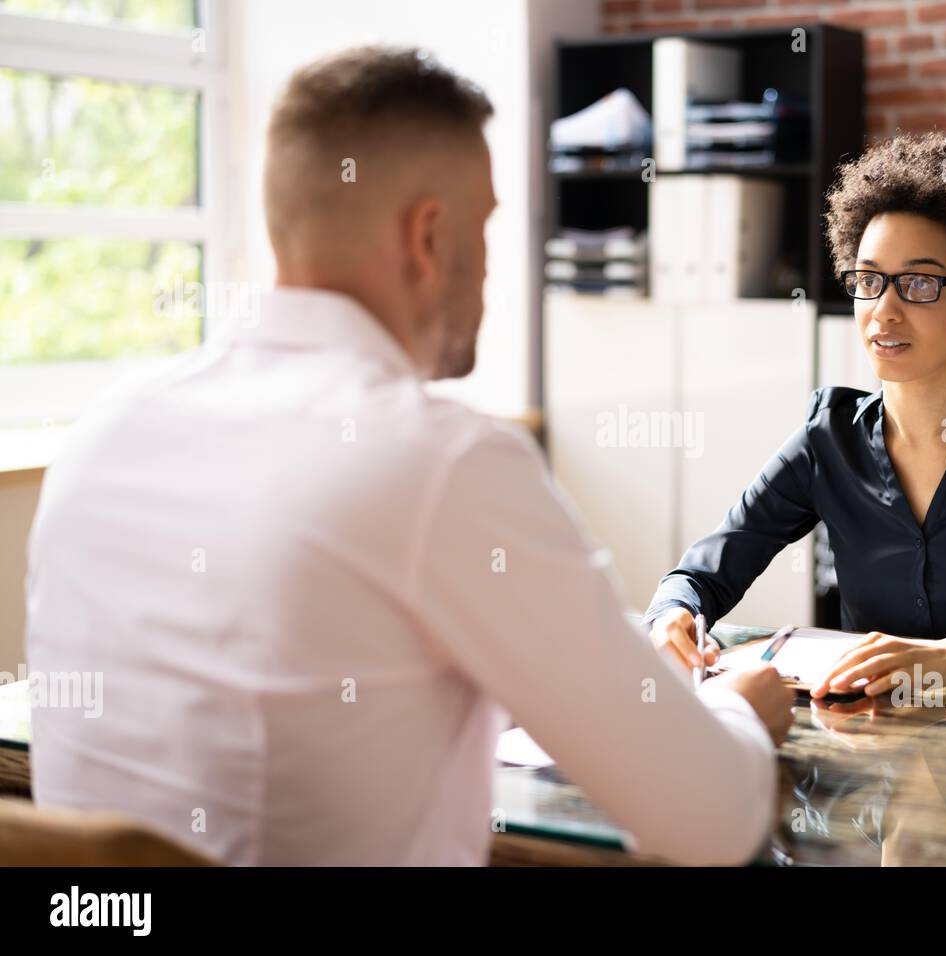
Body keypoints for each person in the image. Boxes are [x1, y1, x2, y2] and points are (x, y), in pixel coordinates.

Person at [25, 45, 792, 866]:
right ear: (429, 236)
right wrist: (741, 706)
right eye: (488, 225)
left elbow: (331, 686)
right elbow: (711, 824)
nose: (494, 263)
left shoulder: (107, 430)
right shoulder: (444, 461)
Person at [646, 132, 946, 695]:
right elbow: (701, 574)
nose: (883, 311)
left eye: (919, 282)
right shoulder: (829, 438)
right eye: (868, 280)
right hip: (866, 741)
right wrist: (672, 615)